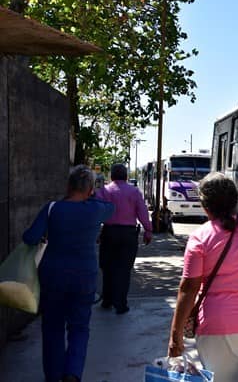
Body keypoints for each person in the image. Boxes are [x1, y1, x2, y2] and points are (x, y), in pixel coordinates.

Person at [167, 172, 238, 382]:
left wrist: (175, 336)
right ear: (235, 201)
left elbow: (188, 289)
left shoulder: (200, 237)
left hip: (216, 326)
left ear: (205, 205)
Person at [22, 165, 115, 382]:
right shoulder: (95, 209)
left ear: (68, 186)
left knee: (52, 326)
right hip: (84, 276)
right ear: (90, 188)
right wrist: (92, 196)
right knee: (80, 327)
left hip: (52, 275)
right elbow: (111, 207)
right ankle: (72, 373)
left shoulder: (52, 208)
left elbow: (30, 238)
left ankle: (53, 376)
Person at [96, 163, 152, 314]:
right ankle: (120, 304)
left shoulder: (104, 191)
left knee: (107, 267)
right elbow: (142, 212)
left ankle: (107, 300)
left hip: (109, 232)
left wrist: (95, 232)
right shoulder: (134, 192)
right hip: (128, 234)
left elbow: (96, 212)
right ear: (126, 176)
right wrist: (148, 230)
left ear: (112, 176)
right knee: (124, 269)